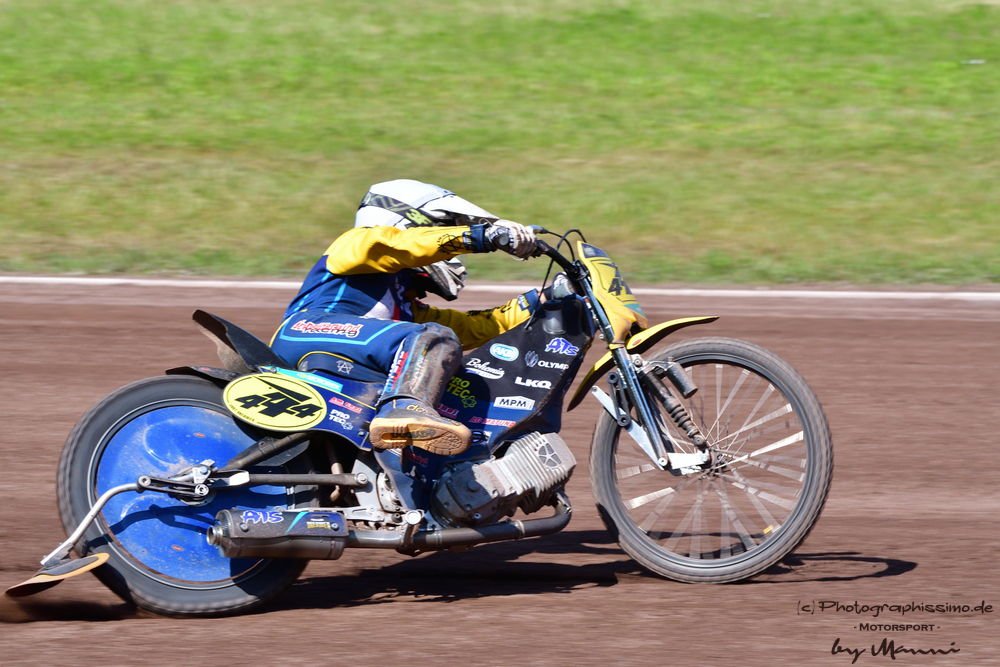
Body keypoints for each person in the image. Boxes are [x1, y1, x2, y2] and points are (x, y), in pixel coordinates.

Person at [270, 179, 539, 457]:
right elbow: (399, 244)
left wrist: (538, 302)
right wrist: (481, 236)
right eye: (441, 229)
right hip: (303, 331)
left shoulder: (403, 306)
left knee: (438, 342)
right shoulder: (355, 244)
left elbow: (473, 327)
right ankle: (405, 408)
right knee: (432, 338)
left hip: (334, 352)